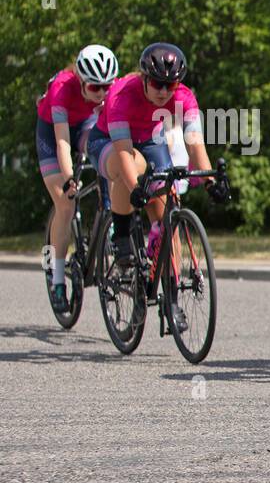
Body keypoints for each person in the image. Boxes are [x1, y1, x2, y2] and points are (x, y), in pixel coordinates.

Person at [86, 43, 224, 333]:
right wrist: (137, 188)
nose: (164, 91)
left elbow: (195, 144)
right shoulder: (122, 95)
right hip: (107, 143)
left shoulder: (184, 98)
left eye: (170, 84)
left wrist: (210, 182)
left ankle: (171, 300)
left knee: (167, 220)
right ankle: (122, 234)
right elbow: (124, 152)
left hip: (150, 140)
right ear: (144, 79)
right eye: (158, 84)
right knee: (132, 166)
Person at [36, 45, 118, 314]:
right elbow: (62, 142)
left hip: (83, 125)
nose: (102, 94)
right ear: (81, 81)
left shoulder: (108, 92)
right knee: (66, 204)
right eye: (95, 88)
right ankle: (58, 279)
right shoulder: (62, 88)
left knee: (106, 156)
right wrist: (70, 178)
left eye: (107, 86)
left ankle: (111, 221)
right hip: (52, 132)